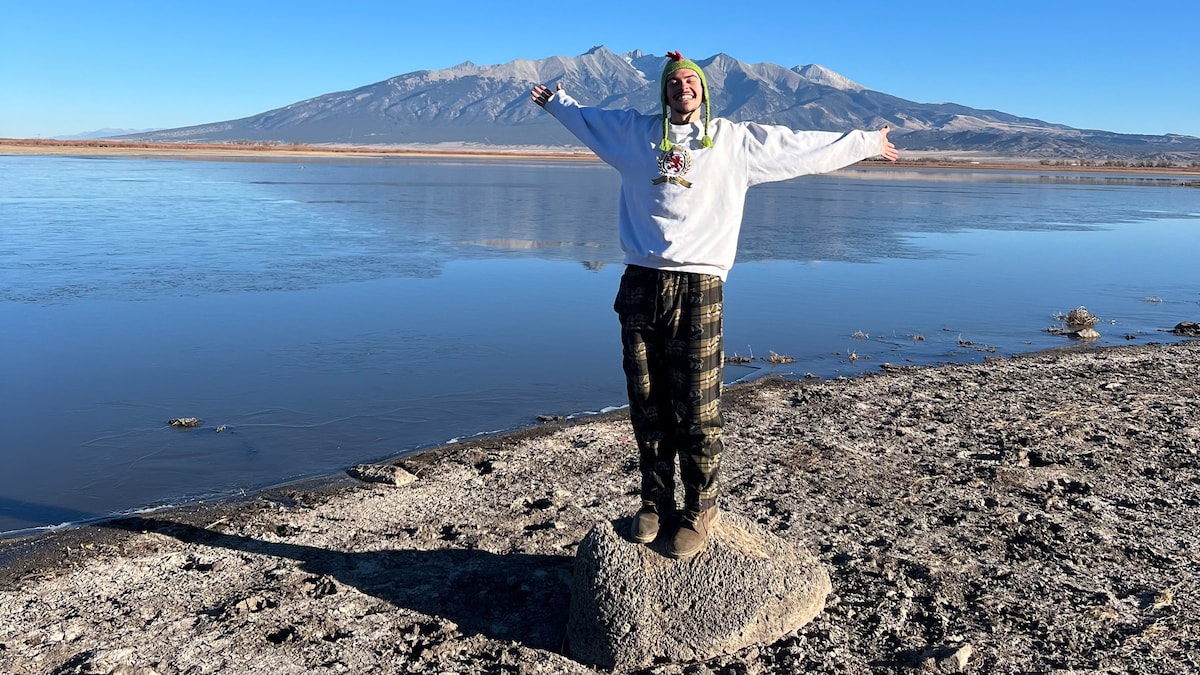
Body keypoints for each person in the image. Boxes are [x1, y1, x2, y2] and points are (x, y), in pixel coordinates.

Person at [531, 51, 898, 559]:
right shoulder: (635, 135)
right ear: (663, 93)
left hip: (699, 285)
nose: (683, 86)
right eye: (675, 81)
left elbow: (800, 148)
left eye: (691, 81)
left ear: (704, 92)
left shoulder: (734, 141)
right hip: (641, 281)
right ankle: (655, 502)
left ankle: (700, 506)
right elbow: (588, 120)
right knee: (647, 401)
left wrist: (868, 143)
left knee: (698, 406)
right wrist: (555, 102)